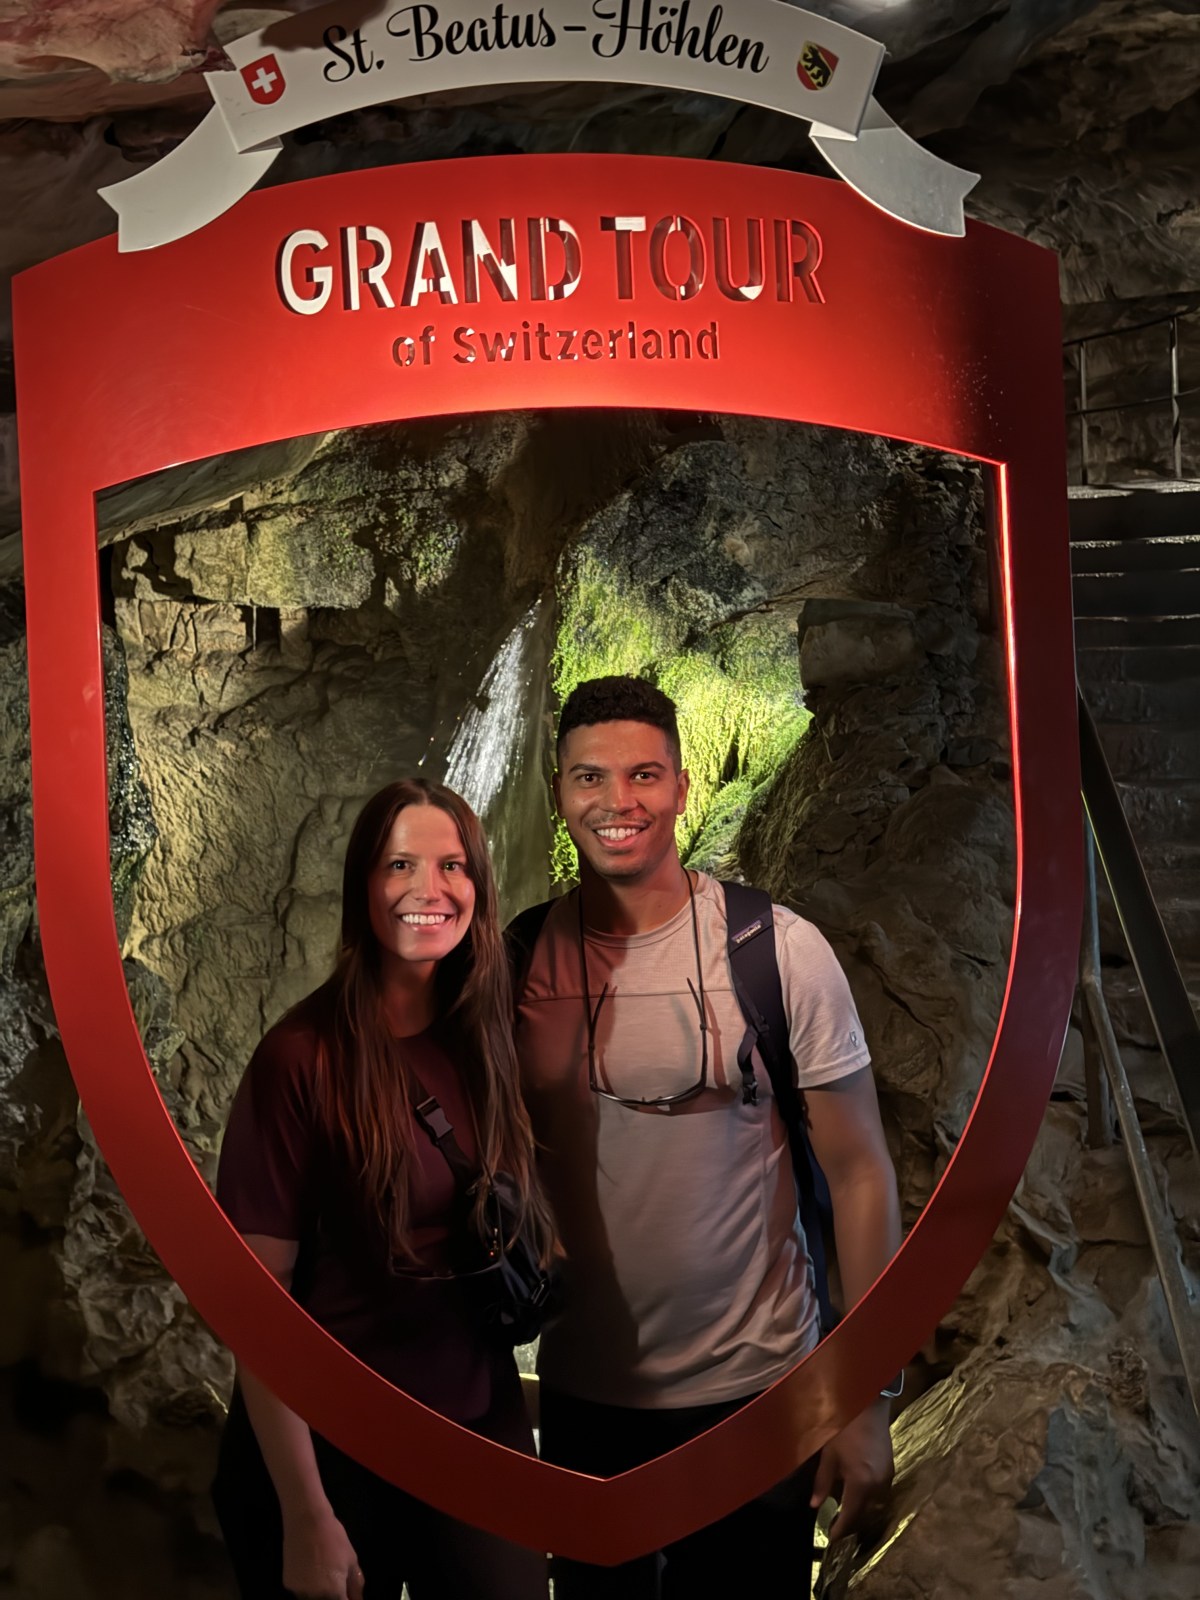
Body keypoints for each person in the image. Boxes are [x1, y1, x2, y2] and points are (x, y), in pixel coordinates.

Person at [514, 676, 902, 1598]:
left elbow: (859, 1174)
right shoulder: (517, 963)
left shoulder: (778, 951)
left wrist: (865, 1399)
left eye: (644, 774)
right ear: (560, 794)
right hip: (584, 1400)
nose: (619, 803)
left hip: (758, 1396)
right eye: (590, 778)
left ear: (683, 787)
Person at [212, 778, 553, 1600]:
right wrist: (305, 1513)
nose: (427, 890)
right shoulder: (301, 1059)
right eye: (400, 864)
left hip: (473, 1416)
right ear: (364, 885)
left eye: (452, 865)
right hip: (336, 1445)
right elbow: (260, 1310)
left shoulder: (493, 1036)